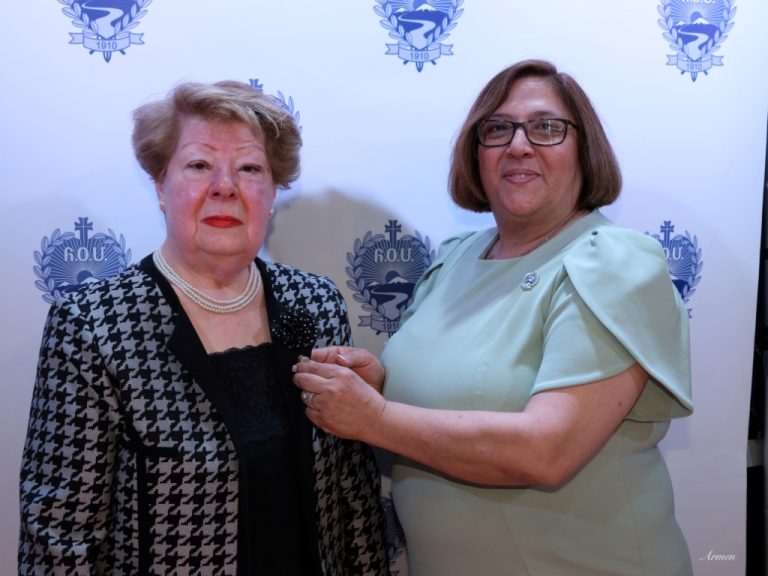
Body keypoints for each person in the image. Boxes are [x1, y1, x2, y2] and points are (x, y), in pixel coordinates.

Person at [293, 59, 693, 576]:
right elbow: (461, 395)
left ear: (584, 149)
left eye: (546, 127)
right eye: (498, 129)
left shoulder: (613, 262)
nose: (519, 145)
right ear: (476, 153)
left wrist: (375, 418)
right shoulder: (455, 258)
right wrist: (382, 387)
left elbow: (547, 451)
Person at [19, 80, 388, 575]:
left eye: (249, 168)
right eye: (198, 165)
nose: (225, 186)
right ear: (161, 187)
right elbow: (60, 535)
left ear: (272, 193)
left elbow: (354, 496)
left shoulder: (316, 303)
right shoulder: (93, 325)